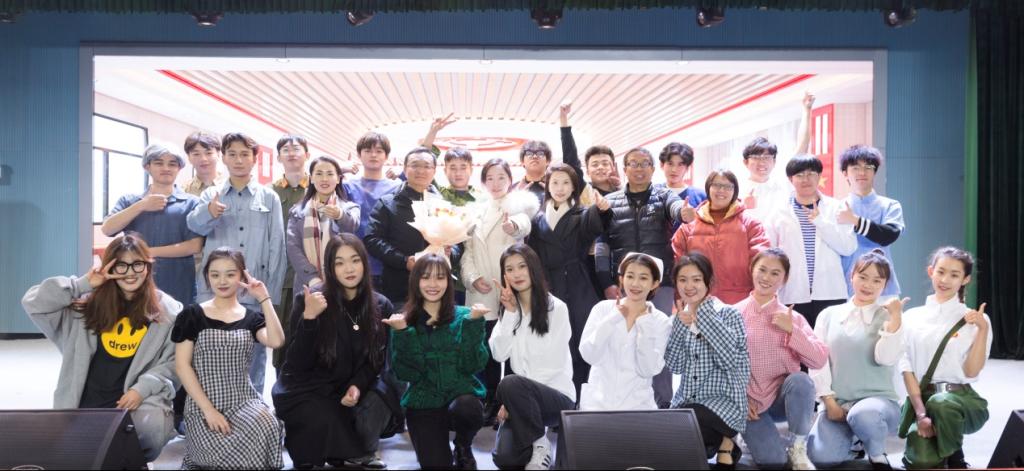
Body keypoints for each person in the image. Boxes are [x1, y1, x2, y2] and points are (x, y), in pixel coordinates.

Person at [22, 234, 181, 462]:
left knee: (139, 437)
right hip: (83, 406)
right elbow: (33, 303)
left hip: (132, 406)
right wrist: (82, 284)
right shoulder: (85, 306)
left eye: (137, 264)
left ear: (147, 267)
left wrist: (142, 389)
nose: (130, 272)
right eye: (121, 265)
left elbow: (174, 363)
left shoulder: (168, 311)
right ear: (109, 267)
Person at [273, 234, 398, 470]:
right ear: (330, 268)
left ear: (364, 263)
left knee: (384, 394)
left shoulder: (381, 305)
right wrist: (309, 318)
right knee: (313, 446)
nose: (349, 269)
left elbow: (376, 361)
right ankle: (350, 449)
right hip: (309, 389)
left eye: (355, 260)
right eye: (339, 263)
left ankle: (353, 446)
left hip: (350, 388)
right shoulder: (310, 299)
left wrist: (357, 385)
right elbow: (296, 364)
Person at [186, 132, 286, 395]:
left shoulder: (269, 197)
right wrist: (209, 212)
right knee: (211, 352)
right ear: (224, 158)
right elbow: (194, 226)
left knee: (253, 356)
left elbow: (277, 246)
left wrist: (270, 296)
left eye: (244, 154)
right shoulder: (211, 194)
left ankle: (252, 407)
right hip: (214, 292)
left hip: (252, 291)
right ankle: (210, 407)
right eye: (232, 154)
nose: (238, 160)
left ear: (254, 159)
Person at [597, 146, 694, 409]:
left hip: (659, 284)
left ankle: (663, 402)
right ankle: (627, 401)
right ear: (624, 169)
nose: (639, 169)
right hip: (625, 284)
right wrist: (607, 281)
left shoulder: (664, 196)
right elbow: (602, 245)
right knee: (624, 340)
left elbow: (676, 207)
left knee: (657, 339)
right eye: (633, 164)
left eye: (644, 164)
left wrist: (683, 213)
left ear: (652, 169)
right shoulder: (610, 202)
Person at [172, 248, 285, 469]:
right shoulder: (191, 315)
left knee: (268, 425)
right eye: (215, 275)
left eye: (230, 274)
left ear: (242, 277)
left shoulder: (252, 318)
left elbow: (276, 341)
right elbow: (182, 366)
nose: (222, 281)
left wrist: (264, 298)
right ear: (207, 277)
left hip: (244, 400)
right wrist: (208, 410)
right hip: (202, 403)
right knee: (215, 456)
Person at [383, 254, 490, 470]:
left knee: (468, 408)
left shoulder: (465, 316)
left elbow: (474, 365)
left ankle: (463, 445)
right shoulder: (403, 321)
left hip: (459, 396)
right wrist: (403, 334)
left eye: (440, 278)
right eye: (426, 277)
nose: (433, 284)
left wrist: (473, 324)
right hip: (423, 402)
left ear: (448, 282)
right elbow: (407, 374)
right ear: (416, 281)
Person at [807, 251, 906, 469]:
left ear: (885, 284)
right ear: (852, 275)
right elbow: (818, 362)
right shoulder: (828, 315)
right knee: (821, 458)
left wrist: (895, 319)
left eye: (877, 280)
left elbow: (886, 358)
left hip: (877, 405)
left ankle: (877, 453)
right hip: (838, 405)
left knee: (863, 415)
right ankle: (855, 440)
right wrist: (829, 402)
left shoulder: (888, 315)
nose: (868, 285)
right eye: (863, 277)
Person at [736, 248, 829, 470]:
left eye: (775, 273)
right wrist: (739, 399)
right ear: (752, 270)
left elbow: (819, 360)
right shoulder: (733, 313)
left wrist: (792, 331)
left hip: (782, 401)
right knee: (774, 462)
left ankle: (798, 446)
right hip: (749, 405)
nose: (766, 278)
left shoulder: (793, 318)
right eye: (762, 270)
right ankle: (747, 438)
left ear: (784, 279)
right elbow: (720, 365)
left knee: (801, 380)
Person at [900, 247, 991, 469]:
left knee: (942, 403)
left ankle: (955, 457)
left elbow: (971, 371)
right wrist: (921, 414)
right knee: (921, 462)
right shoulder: (911, 318)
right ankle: (941, 451)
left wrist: (982, 330)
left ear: (965, 279)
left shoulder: (976, 320)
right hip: (923, 399)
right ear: (930, 271)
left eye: (954, 274)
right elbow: (906, 368)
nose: (945, 280)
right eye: (940, 272)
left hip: (962, 401)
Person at [463, 158, 537, 419]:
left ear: (510, 180)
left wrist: (513, 226)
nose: (495, 184)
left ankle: (513, 402)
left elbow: (523, 223)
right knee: (486, 347)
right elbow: (468, 252)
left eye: (501, 178)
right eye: (490, 178)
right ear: (483, 182)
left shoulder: (517, 205)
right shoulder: (475, 211)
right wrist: (472, 278)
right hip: (481, 289)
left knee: (514, 344)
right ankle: (490, 400)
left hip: (510, 287)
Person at [489, 244, 574, 470]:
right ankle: (538, 439)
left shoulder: (557, 308)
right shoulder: (509, 309)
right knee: (505, 459)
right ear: (504, 275)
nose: (516, 274)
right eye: (509, 269)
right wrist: (509, 313)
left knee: (510, 383)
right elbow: (498, 354)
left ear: (533, 268)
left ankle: (540, 446)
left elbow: (554, 363)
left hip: (556, 397)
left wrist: (515, 396)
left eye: (522, 266)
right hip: (522, 399)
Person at [664, 252, 751, 470]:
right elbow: (675, 366)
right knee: (671, 437)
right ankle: (724, 445)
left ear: (708, 282)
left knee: (685, 432)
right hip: (687, 403)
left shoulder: (729, 314)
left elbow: (729, 360)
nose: (689, 286)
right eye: (682, 280)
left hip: (723, 403)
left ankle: (725, 440)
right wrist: (680, 326)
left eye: (696, 279)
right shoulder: (678, 319)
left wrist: (701, 317)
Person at [527, 163, 606, 400]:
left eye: (566, 183)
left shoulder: (583, 214)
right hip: (547, 285)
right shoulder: (536, 218)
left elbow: (596, 225)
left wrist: (602, 210)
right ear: (547, 186)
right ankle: (553, 398)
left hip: (577, 284)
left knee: (580, 339)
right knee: (551, 342)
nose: (560, 188)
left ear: (574, 187)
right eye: (555, 182)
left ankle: (581, 398)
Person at [101, 144, 203, 306]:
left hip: (178, 284)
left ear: (179, 168)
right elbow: (107, 229)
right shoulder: (129, 201)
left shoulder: (192, 203)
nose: (166, 168)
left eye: (172, 164)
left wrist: (146, 252)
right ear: (147, 166)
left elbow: (194, 246)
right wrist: (141, 205)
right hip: (134, 284)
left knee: (178, 321)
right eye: (158, 163)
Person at [763, 154, 857, 327]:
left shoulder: (836, 207)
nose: (805, 179)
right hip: (792, 293)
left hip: (830, 292)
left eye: (811, 174)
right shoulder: (778, 212)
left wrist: (821, 222)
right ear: (791, 179)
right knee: (794, 341)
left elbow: (848, 247)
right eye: (799, 175)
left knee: (828, 342)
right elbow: (769, 253)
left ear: (819, 176)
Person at [365, 147, 462, 306]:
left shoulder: (443, 205)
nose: (421, 171)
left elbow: (458, 242)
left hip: (438, 287)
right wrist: (404, 261)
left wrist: (450, 253)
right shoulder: (388, 203)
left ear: (434, 171)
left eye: (427, 166)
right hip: (400, 287)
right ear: (405, 169)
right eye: (415, 165)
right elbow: (372, 239)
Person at [578, 252, 673, 411]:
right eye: (630, 276)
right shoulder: (602, 309)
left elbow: (648, 369)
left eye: (643, 278)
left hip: (638, 408)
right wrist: (612, 319)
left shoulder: (660, 321)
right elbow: (589, 355)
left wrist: (644, 326)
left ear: (655, 283)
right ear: (621, 279)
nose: (635, 284)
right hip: (597, 405)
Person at [671, 169, 769, 304]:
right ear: (708, 188)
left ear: (735, 191)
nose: (721, 190)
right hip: (699, 301)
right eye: (716, 185)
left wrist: (761, 297)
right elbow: (677, 263)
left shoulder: (751, 224)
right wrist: (680, 297)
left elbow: (761, 263)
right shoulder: (689, 227)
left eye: (728, 186)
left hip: (740, 301)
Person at [837, 145, 905, 298]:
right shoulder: (837, 208)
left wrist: (855, 221)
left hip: (883, 288)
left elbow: (888, 235)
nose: (862, 172)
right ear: (845, 173)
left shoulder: (890, 205)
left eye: (868, 167)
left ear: (875, 172)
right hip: (846, 288)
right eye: (855, 167)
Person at [285, 156, 360, 295]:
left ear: (338, 179)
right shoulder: (297, 211)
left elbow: (352, 225)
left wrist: (340, 215)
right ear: (311, 178)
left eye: (330, 174)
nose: (324, 179)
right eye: (319, 174)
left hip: (342, 282)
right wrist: (312, 279)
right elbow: (293, 248)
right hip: (306, 284)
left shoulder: (350, 208)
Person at [741, 93, 815, 225]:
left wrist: (806, 111)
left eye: (767, 157)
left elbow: (802, 148)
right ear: (745, 162)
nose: (762, 162)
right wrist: (742, 207)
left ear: (774, 162)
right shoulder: (737, 188)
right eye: (756, 157)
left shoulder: (781, 183)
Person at [346, 132, 402, 286]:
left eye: (379, 151)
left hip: (388, 263)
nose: (373, 155)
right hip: (353, 262)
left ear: (386, 156)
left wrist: (403, 176)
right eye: (367, 150)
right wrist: (341, 169)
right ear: (359, 155)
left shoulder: (397, 187)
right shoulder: (348, 186)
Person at [658, 142, 708, 232]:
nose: (674, 169)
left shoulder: (701, 196)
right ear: (662, 165)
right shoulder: (653, 193)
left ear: (687, 168)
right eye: (670, 163)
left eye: (680, 165)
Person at [183, 131, 225, 197]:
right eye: (196, 154)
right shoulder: (184, 191)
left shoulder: (231, 186)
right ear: (189, 158)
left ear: (218, 154)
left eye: (208, 153)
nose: (203, 159)